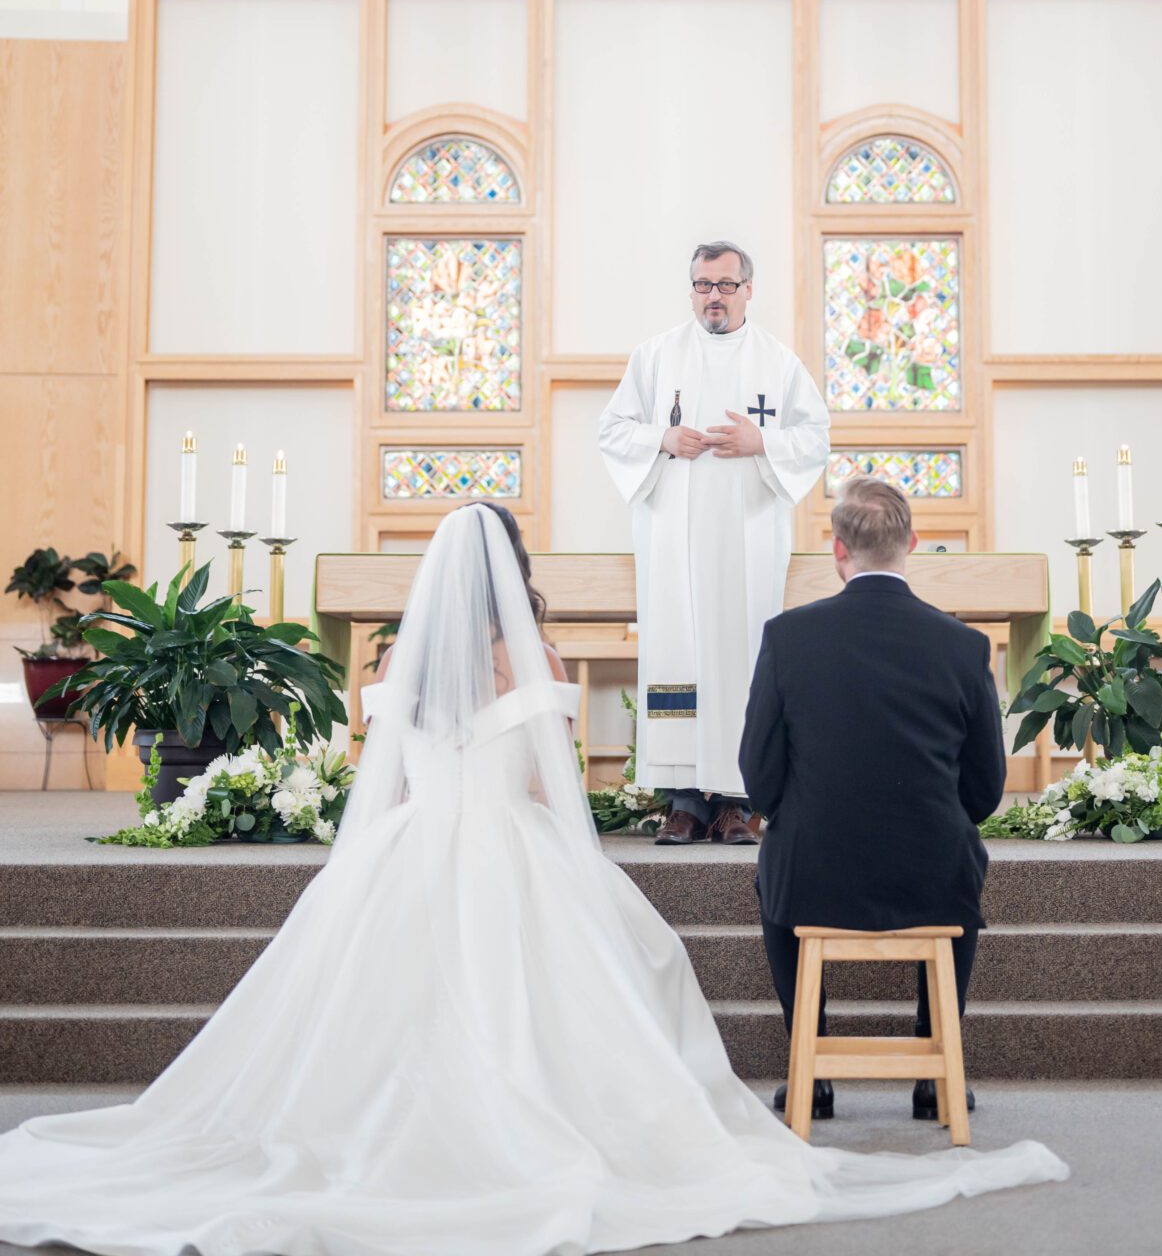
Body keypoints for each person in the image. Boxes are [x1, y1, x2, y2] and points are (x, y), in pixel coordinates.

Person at [0, 503, 1066, 1255]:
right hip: (508, 839)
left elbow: (385, 777)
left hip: (402, 851)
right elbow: (554, 797)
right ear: (512, 574)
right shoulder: (539, 664)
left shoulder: (389, 664)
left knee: (357, 1006)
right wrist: (578, 865)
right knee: (623, 961)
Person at [740, 476, 1007, 1124]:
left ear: (837, 550)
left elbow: (758, 771)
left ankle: (813, 1071)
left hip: (815, 870)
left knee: (778, 864)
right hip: (929, 871)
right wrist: (936, 822)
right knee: (960, 860)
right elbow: (985, 785)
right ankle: (933, 1067)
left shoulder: (787, 637)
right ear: (911, 542)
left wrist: (796, 815)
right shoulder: (963, 645)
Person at [599, 241, 829, 846]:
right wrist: (663, 438)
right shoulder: (655, 356)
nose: (714, 297)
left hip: (748, 539)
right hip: (673, 540)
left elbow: (816, 436)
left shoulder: (778, 363)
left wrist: (764, 444)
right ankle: (682, 802)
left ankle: (736, 802)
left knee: (741, 656)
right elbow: (613, 429)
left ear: (748, 289)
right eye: (703, 285)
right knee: (679, 654)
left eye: (726, 285)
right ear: (692, 290)